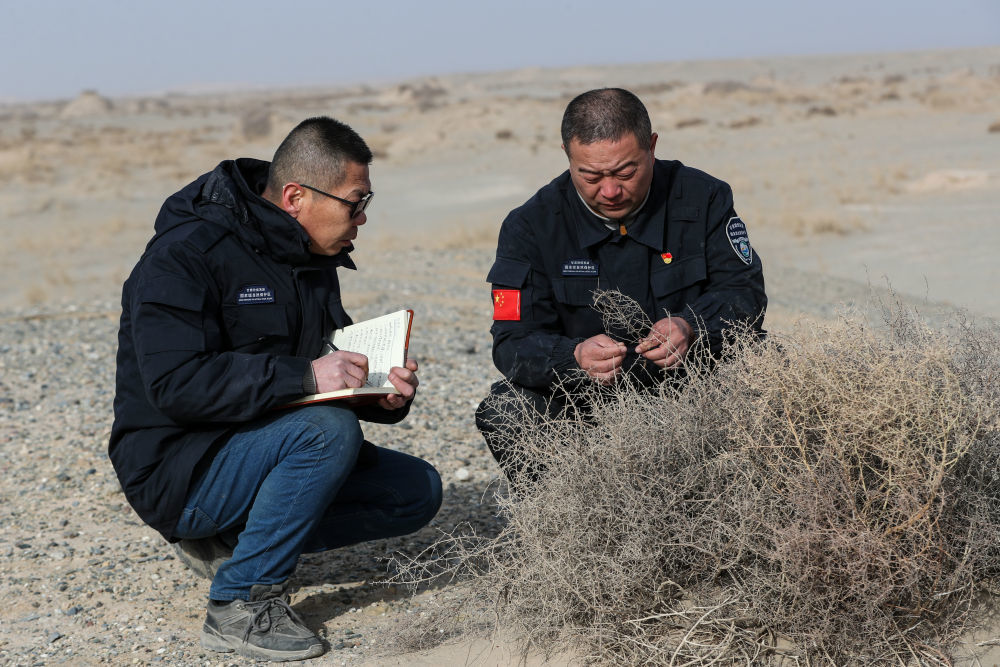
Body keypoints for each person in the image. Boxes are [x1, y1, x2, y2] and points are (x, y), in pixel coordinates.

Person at [109, 116, 442, 662]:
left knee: (415, 490)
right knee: (327, 431)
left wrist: (380, 392)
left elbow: (329, 356)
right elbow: (175, 384)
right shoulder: (184, 255)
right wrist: (307, 376)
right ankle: (239, 605)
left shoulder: (309, 255)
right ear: (295, 197)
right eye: (355, 203)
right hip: (180, 467)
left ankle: (229, 543)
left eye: (367, 202)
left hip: (265, 442)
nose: (362, 217)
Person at [475, 88, 766, 479]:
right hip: (586, 404)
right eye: (591, 176)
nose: (610, 191)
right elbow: (512, 343)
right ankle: (571, 514)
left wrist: (692, 326)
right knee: (508, 409)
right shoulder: (530, 226)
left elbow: (745, 292)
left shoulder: (704, 197)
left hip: (697, 388)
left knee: (771, 367)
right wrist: (573, 356)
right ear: (567, 155)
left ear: (652, 146)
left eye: (626, 172)